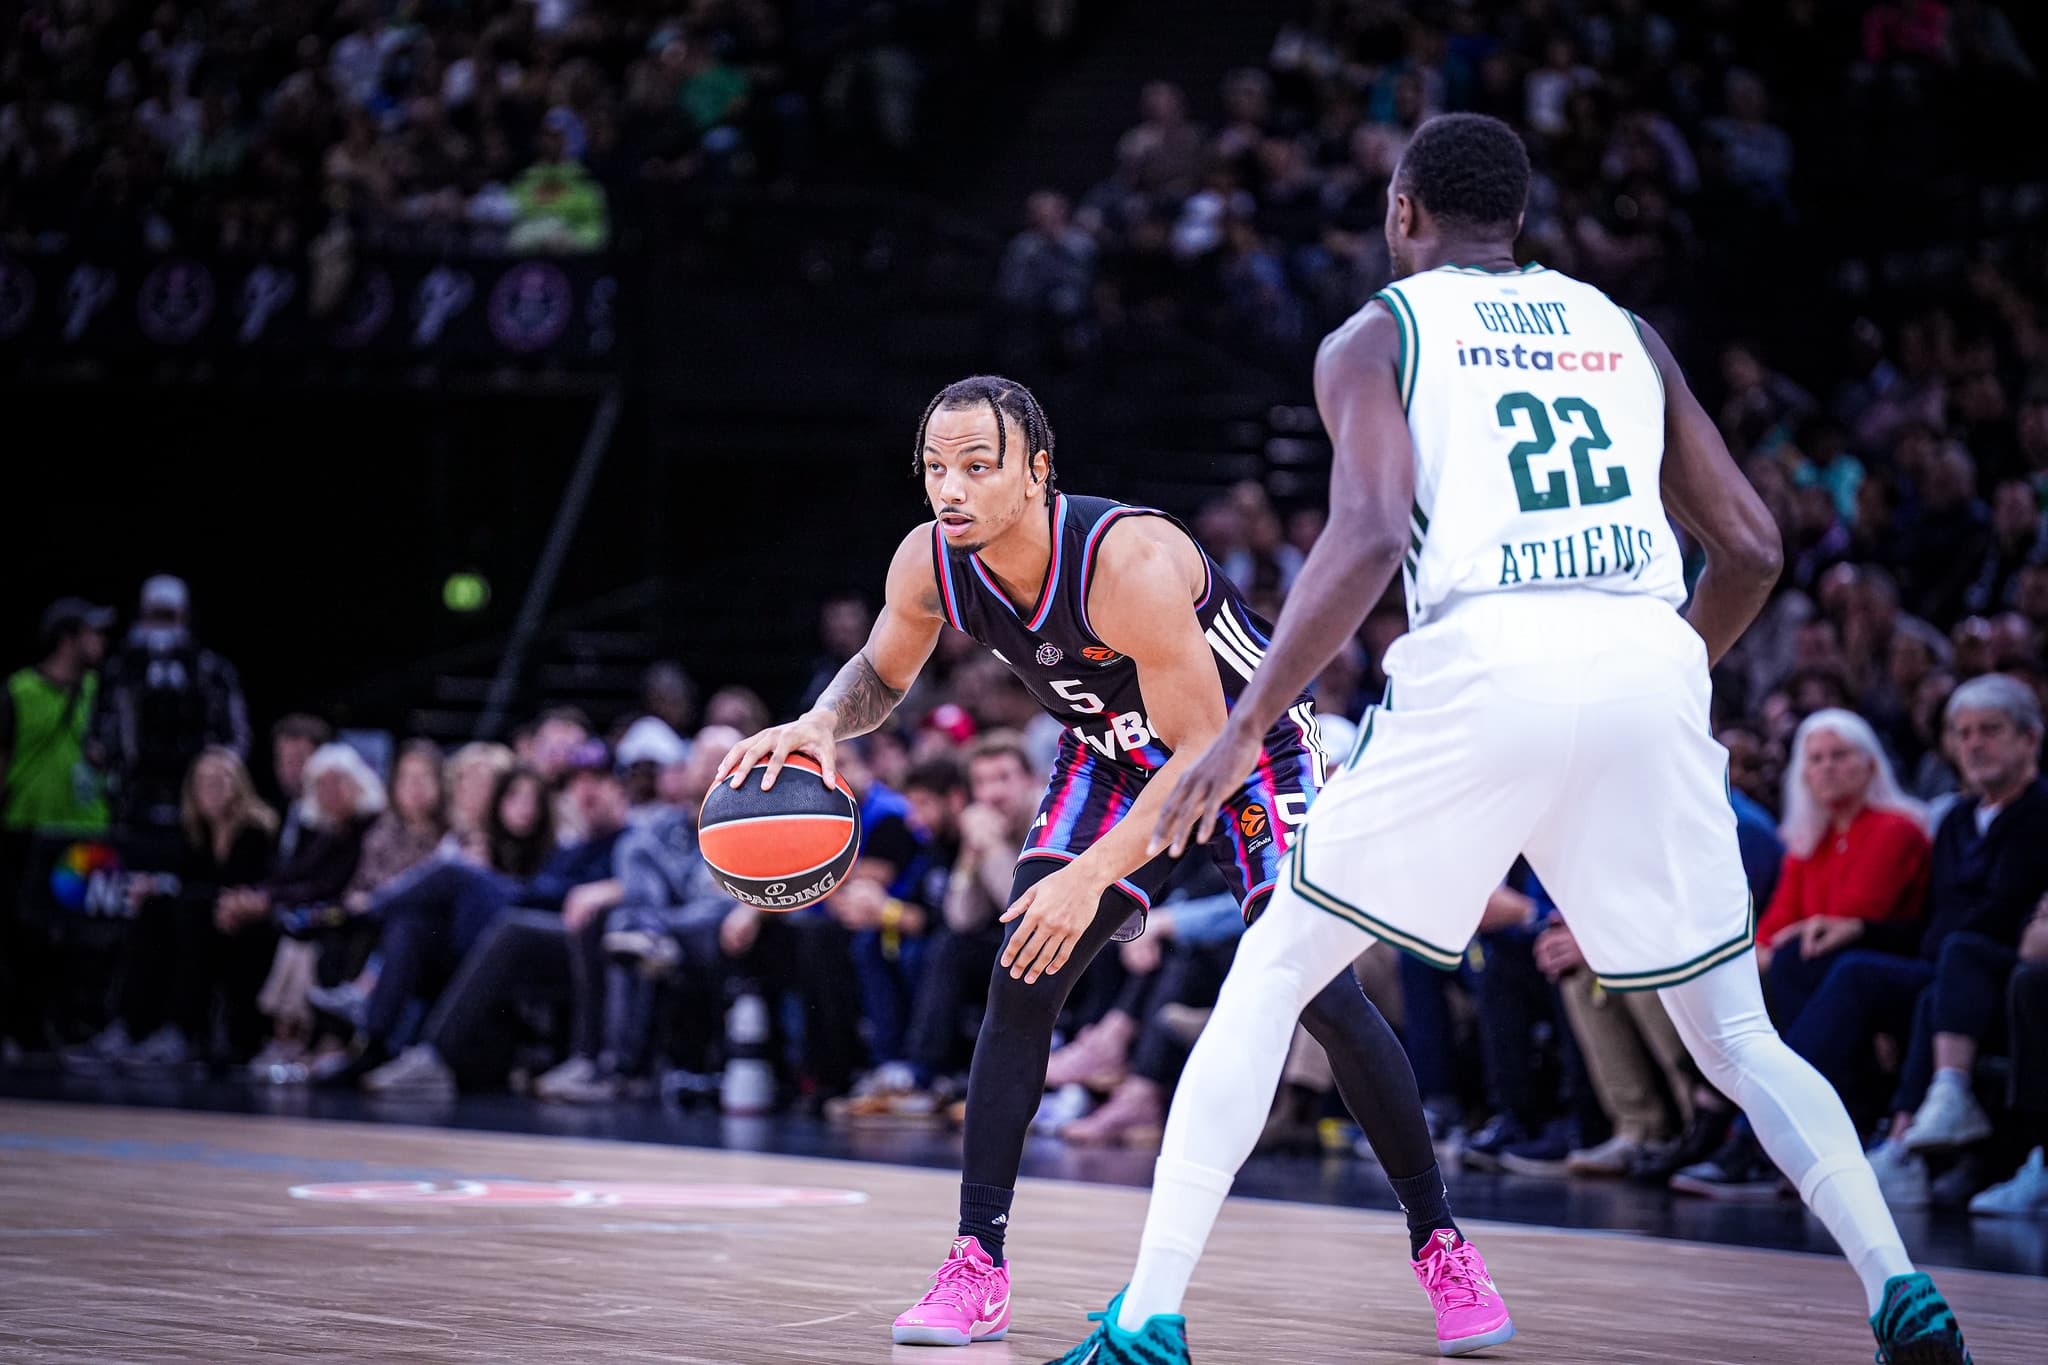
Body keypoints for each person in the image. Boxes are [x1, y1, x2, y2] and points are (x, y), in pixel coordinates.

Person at [1044, 114, 1970, 1365]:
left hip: (1486, 657)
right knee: (1736, 1035)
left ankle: (1148, 1315)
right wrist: (1653, 676)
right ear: (1518, 221)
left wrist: (1245, 722)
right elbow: (1752, 547)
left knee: (1271, 976)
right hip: (1643, 655)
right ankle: (1897, 1287)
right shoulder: (1621, 329)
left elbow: (1369, 533)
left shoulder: (1377, 334)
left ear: (1401, 211)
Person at [717, 373, 1493, 1351]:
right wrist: (822, 722)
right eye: (934, 469)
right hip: (1111, 756)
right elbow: (881, 669)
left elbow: (1203, 753)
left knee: (1315, 988)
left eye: (976, 465)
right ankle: (976, 1262)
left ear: (1036, 472)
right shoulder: (930, 559)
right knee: (1021, 974)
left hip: (1245, 751)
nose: (950, 488)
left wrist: (1089, 877)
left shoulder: (1126, 563)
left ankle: (1440, 1241)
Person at [1, 597, 113, 1050]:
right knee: (24, 935)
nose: (100, 641)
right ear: (68, 638)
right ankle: (23, 1030)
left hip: (85, 832)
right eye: (92, 632)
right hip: (27, 828)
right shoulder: (20, 689)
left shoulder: (101, 691)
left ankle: (75, 1032)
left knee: (85, 939)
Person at [90, 575, 250, 834]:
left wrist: (214, 779)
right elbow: (99, 729)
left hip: (197, 800)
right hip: (132, 797)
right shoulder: (119, 671)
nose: (161, 625)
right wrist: (107, 761)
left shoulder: (211, 671)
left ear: (184, 616)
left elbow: (236, 736)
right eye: (155, 615)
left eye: (168, 616)